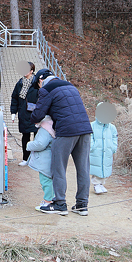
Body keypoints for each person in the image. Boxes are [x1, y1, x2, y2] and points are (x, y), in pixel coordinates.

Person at [30, 69, 92, 216]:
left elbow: (38, 114)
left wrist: (33, 117)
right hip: (85, 129)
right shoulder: (70, 85)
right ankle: (82, 205)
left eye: (37, 85)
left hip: (66, 130)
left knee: (58, 167)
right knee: (83, 168)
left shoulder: (46, 89)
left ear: (40, 80)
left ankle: (59, 204)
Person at [10, 61, 39, 166]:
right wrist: (13, 112)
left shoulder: (37, 83)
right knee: (25, 136)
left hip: (36, 114)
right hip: (23, 113)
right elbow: (14, 98)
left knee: (38, 137)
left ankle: (36, 159)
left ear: (32, 71)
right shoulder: (20, 83)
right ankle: (25, 158)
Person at [26, 115, 56, 210]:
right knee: (50, 180)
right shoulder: (53, 126)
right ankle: (51, 199)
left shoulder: (45, 129)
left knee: (45, 181)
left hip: (44, 159)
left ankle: (48, 201)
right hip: (51, 158)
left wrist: (29, 144)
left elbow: (40, 144)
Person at [89, 102, 118, 194]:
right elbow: (89, 137)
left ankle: (101, 184)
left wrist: (113, 147)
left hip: (107, 150)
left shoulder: (111, 127)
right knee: (97, 166)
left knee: (105, 166)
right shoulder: (92, 125)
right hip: (96, 151)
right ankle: (96, 184)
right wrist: (92, 146)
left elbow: (115, 137)